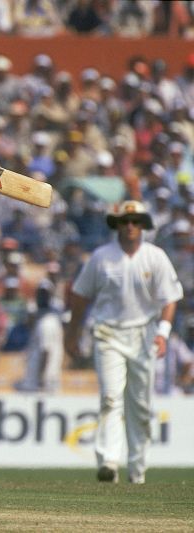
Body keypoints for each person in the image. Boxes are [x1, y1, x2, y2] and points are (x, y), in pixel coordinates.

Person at [64, 200, 183, 484]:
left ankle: (138, 469)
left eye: (136, 221)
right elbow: (80, 297)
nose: (130, 226)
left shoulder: (155, 257)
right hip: (108, 335)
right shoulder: (101, 257)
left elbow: (170, 298)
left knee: (140, 404)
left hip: (144, 335)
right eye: (125, 221)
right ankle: (108, 461)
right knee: (110, 397)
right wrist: (72, 334)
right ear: (116, 224)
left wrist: (163, 333)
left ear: (143, 225)